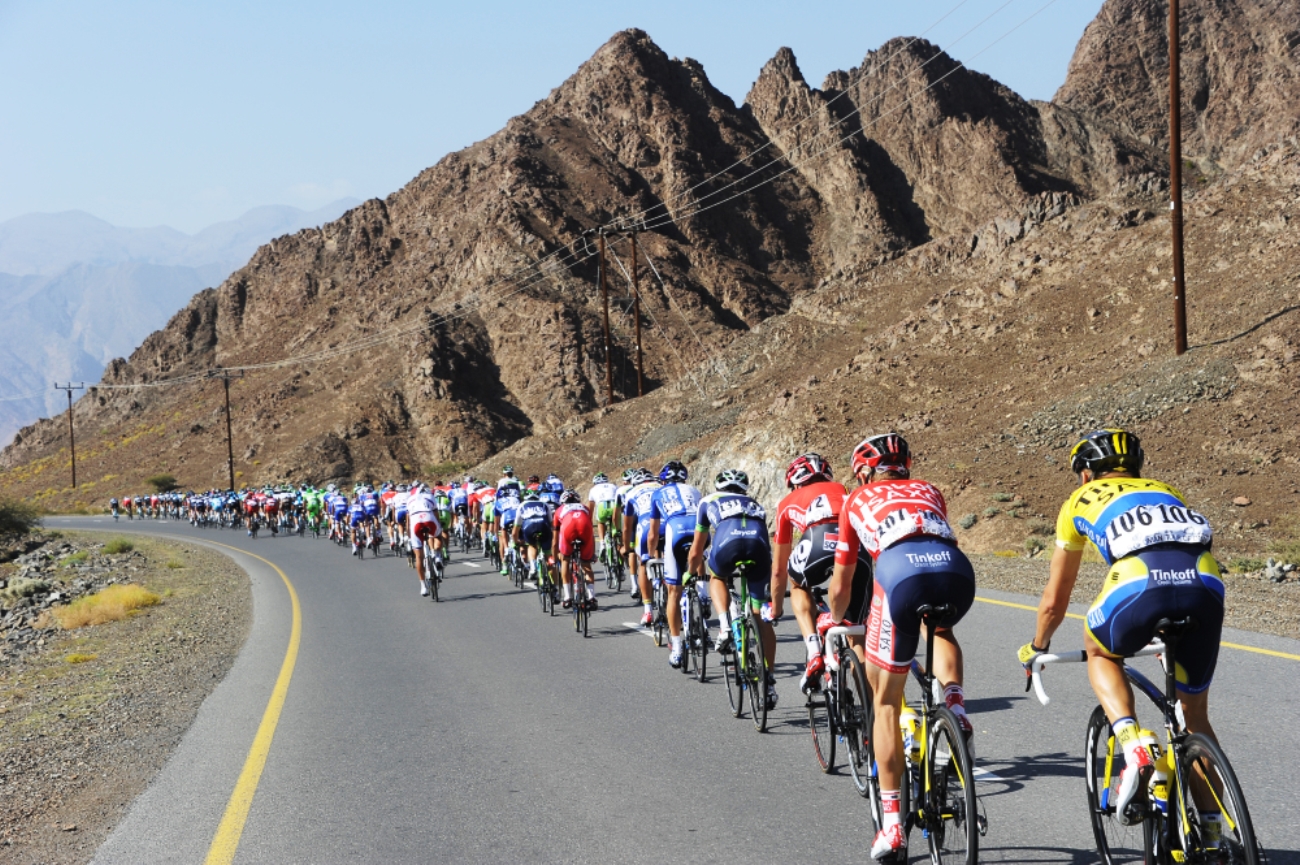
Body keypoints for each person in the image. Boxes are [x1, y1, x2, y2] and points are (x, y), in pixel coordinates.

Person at [1018, 429, 1222, 828]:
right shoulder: (1166, 490)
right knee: (1193, 718)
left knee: (1101, 651)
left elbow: (1055, 600)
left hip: (1138, 581)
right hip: (1205, 583)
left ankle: (1133, 745)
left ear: (1085, 474)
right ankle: (1215, 833)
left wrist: (1037, 646)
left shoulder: (1078, 499)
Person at [827, 433, 975, 861]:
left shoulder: (855, 500)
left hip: (899, 573)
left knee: (886, 702)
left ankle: (892, 826)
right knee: (941, 631)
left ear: (864, 472)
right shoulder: (930, 489)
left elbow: (842, 583)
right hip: (955, 572)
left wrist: (835, 619)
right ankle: (955, 706)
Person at [769, 452, 873, 693]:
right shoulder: (844, 489)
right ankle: (871, 709)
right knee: (856, 636)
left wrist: (776, 609)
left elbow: (778, 570)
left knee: (798, 584)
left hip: (817, 540)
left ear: (794, 483)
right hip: (857, 547)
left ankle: (814, 649)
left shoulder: (787, 502)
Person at [688, 469, 777, 710]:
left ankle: (725, 626)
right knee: (761, 617)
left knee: (717, 576)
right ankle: (769, 682)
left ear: (718, 487)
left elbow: (697, 550)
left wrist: (690, 572)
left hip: (728, 544)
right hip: (759, 549)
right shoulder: (755, 503)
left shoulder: (707, 501)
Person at [646, 460, 703, 668]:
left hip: (676, 530)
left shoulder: (657, 494)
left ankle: (677, 648)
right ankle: (704, 597)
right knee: (699, 561)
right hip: (698, 530)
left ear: (663, 480)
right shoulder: (694, 490)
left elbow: (653, 534)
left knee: (674, 591)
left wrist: (650, 556)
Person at [621, 468, 662, 626]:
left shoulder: (631, 492)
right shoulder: (661, 486)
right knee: (670, 557)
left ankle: (648, 610)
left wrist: (626, 548)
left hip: (645, 526)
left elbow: (627, 527)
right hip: (667, 524)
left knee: (643, 563)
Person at [555, 489, 597, 609]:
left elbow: (555, 538)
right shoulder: (584, 508)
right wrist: (592, 553)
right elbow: (591, 533)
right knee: (586, 565)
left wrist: (556, 554)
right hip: (584, 527)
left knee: (565, 560)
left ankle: (567, 597)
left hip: (568, 528)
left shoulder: (560, 510)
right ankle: (591, 597)